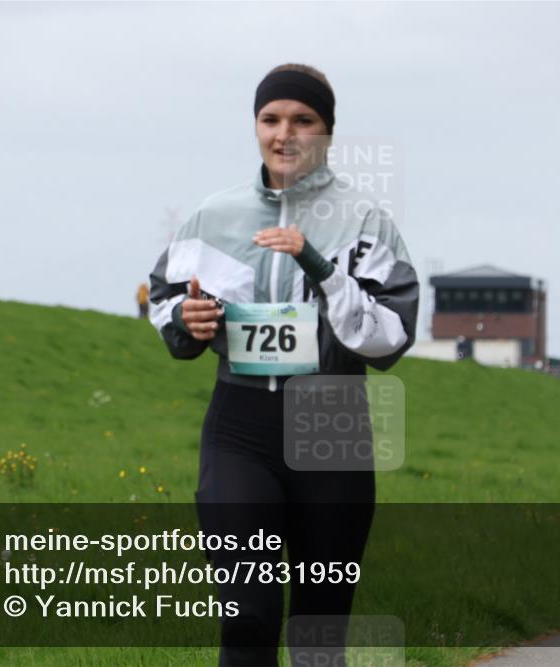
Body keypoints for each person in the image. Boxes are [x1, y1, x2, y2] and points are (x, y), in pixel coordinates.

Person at [148, 63, 418, 665]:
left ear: (327, 131)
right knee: (248, 614)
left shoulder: (366, 219)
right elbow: (165, 299)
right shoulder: (214, 215)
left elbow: (393, 337)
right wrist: (185, 321)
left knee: (318, 634)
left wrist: (320, 267)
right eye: (270, 119)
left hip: (332, 431)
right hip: (241, 428)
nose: (284, 133)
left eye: (304, 119)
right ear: (256, 126)